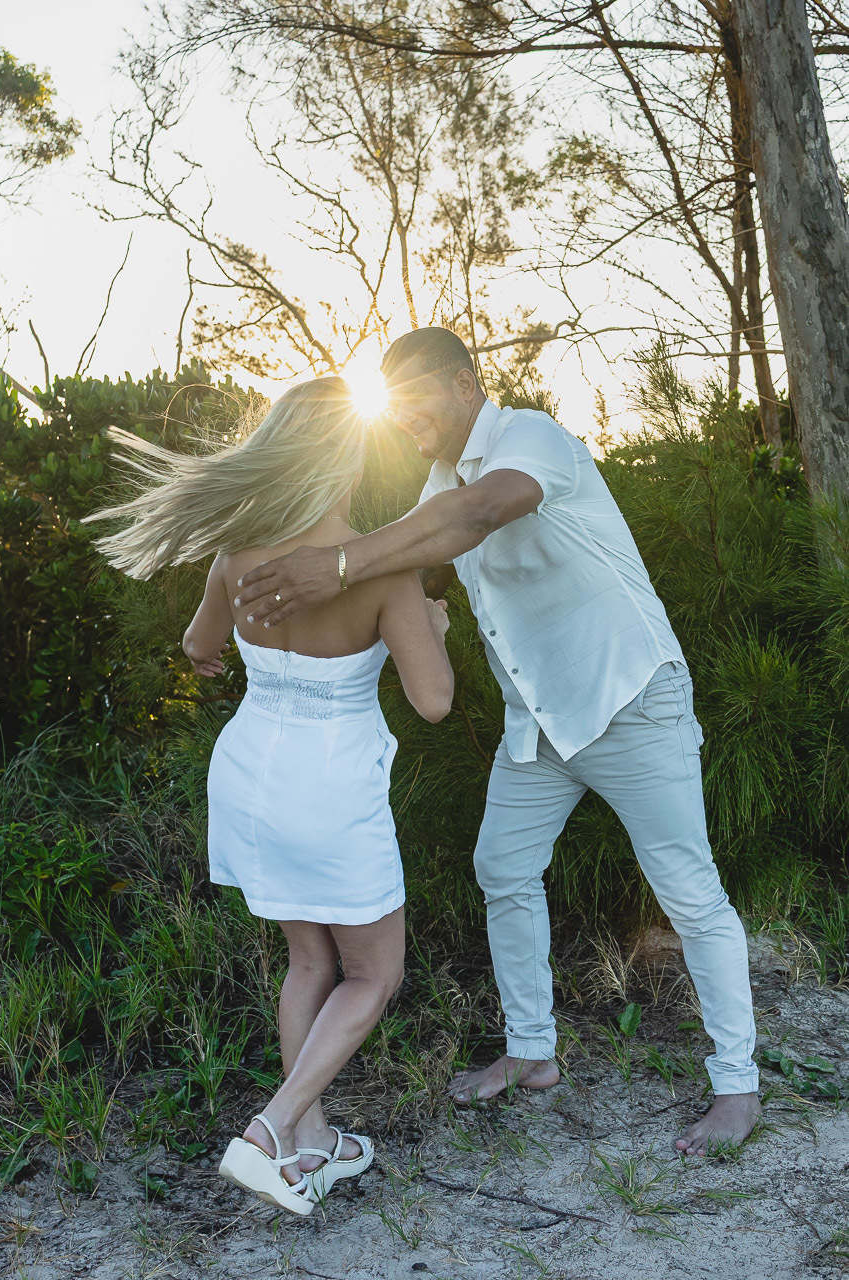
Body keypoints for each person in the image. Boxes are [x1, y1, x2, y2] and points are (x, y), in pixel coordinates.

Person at [233, 329, 762, 1158]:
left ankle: (736, 1087)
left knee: (689, 892)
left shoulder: (530, 437)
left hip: (631, 700)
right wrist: (302, 576)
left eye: (414, 399)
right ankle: (531, 1052)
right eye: (391, 407)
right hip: (540, 727)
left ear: (462, 382)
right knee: (502, 869)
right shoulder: (437, 487)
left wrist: (337, 564)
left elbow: (477, 515)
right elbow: (416, 562)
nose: (404, 420)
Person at [84, 377, 453, 1213]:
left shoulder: (236, 554)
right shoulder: (383, 571)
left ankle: (312, 1145)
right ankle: (273, 1128)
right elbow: (433, 702)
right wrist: (429, 631)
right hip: (331, 783)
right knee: (372, 973)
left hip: (252, 771)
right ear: (351, 458)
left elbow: (197, 646)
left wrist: (231, 655)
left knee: (308, 958)